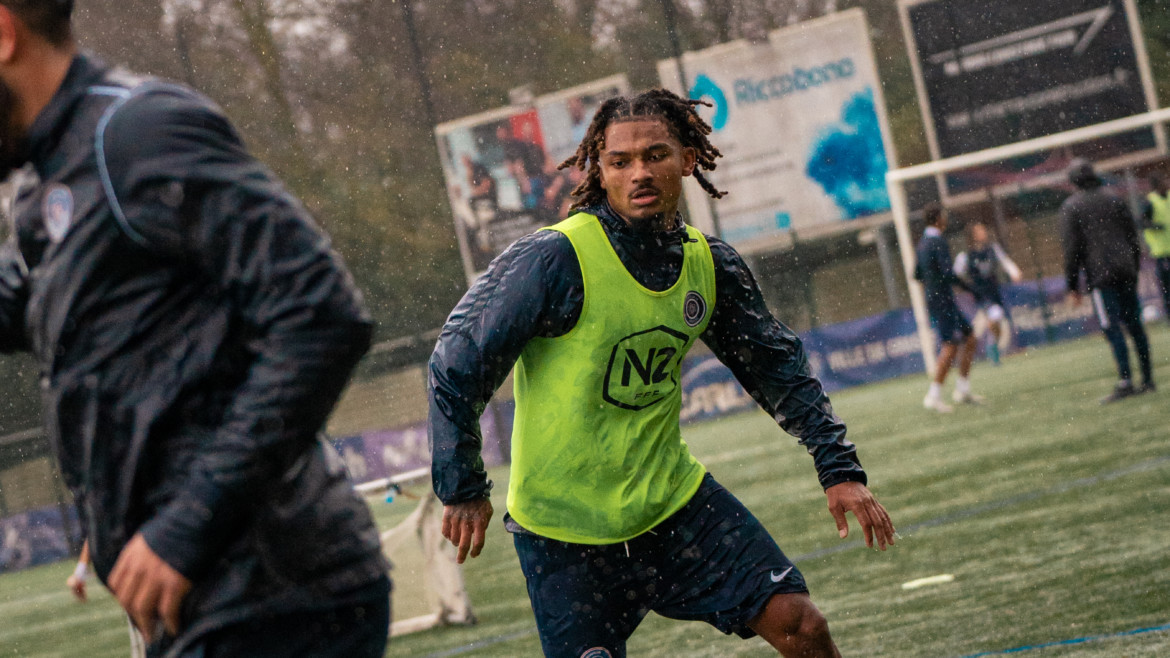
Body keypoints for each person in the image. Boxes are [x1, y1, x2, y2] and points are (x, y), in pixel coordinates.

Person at [428, 88, 895, 658]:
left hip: (674, 508)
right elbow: (456, 361)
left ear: (687, 160)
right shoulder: (552, 259)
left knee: (802, 625)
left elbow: (779, 372)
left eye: (656, 155)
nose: (639, 173)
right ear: (599, 172)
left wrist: (838, 469)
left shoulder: (709, 263)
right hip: (564, 535)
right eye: (620, 162)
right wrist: (463, 486)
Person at [0, 2, 390, 656]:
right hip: (208, 602)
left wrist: (188, 524)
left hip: (274, 595)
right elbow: (26, 300)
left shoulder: (136, 133)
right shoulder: (49, 176)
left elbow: (320, 314)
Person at [1060, 158, 1155, 403]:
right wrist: (1133, 266)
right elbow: (1132, 237)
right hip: (1125, 270)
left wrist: (1072, 285)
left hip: (1101, 275)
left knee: (1111, 327)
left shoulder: (1072, 207)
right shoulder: (1114, 199)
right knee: (1135, 325)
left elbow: (1073, 250)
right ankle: (1147, 379)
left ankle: (1125, 381)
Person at [914, 203, 982, 412]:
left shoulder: (922, 243)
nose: (947, 219)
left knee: (969, 337)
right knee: (950, 345)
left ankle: (962, 389)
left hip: (938, 298)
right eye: (944, 216)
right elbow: (947, 273)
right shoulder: (937, 241)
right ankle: (933, 396)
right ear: (938, 219)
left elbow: (916, 274)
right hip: (942, 300)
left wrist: (932, 286)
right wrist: (969, 287)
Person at [953, 221, 1023, 365]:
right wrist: (964, 287)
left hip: (993, 292)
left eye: (983, 230)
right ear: (972, 235)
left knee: (995, 323)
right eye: (979, 231)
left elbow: (1004, 261)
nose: (983, 233)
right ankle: (990, 348)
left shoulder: (992, 249)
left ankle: (992, 346)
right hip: (980, 294)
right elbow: (955, 275)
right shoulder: (966, 256)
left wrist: (1014, 271)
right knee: (995, 316)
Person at [1141, 172, 1170, 318]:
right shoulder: (1150, 202)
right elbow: (1141, 222)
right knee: (1167, 288)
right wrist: (1156, 226)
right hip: (1162, 253)